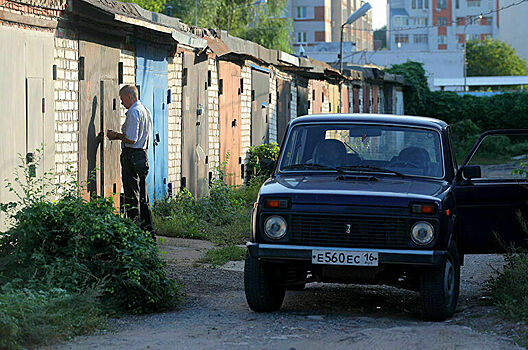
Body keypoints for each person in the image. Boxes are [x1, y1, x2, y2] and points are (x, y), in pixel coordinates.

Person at [107, 85, 154, 235]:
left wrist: (116, 135)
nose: (121, 103)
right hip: (142, 155)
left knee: (131, 195)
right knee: (143, 196)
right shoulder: (145, 111)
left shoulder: (133, 112)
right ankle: (149, 232)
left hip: (132, 155)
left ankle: (135, 233)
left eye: (122, 99)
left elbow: (132, 139)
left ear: (129, 97)